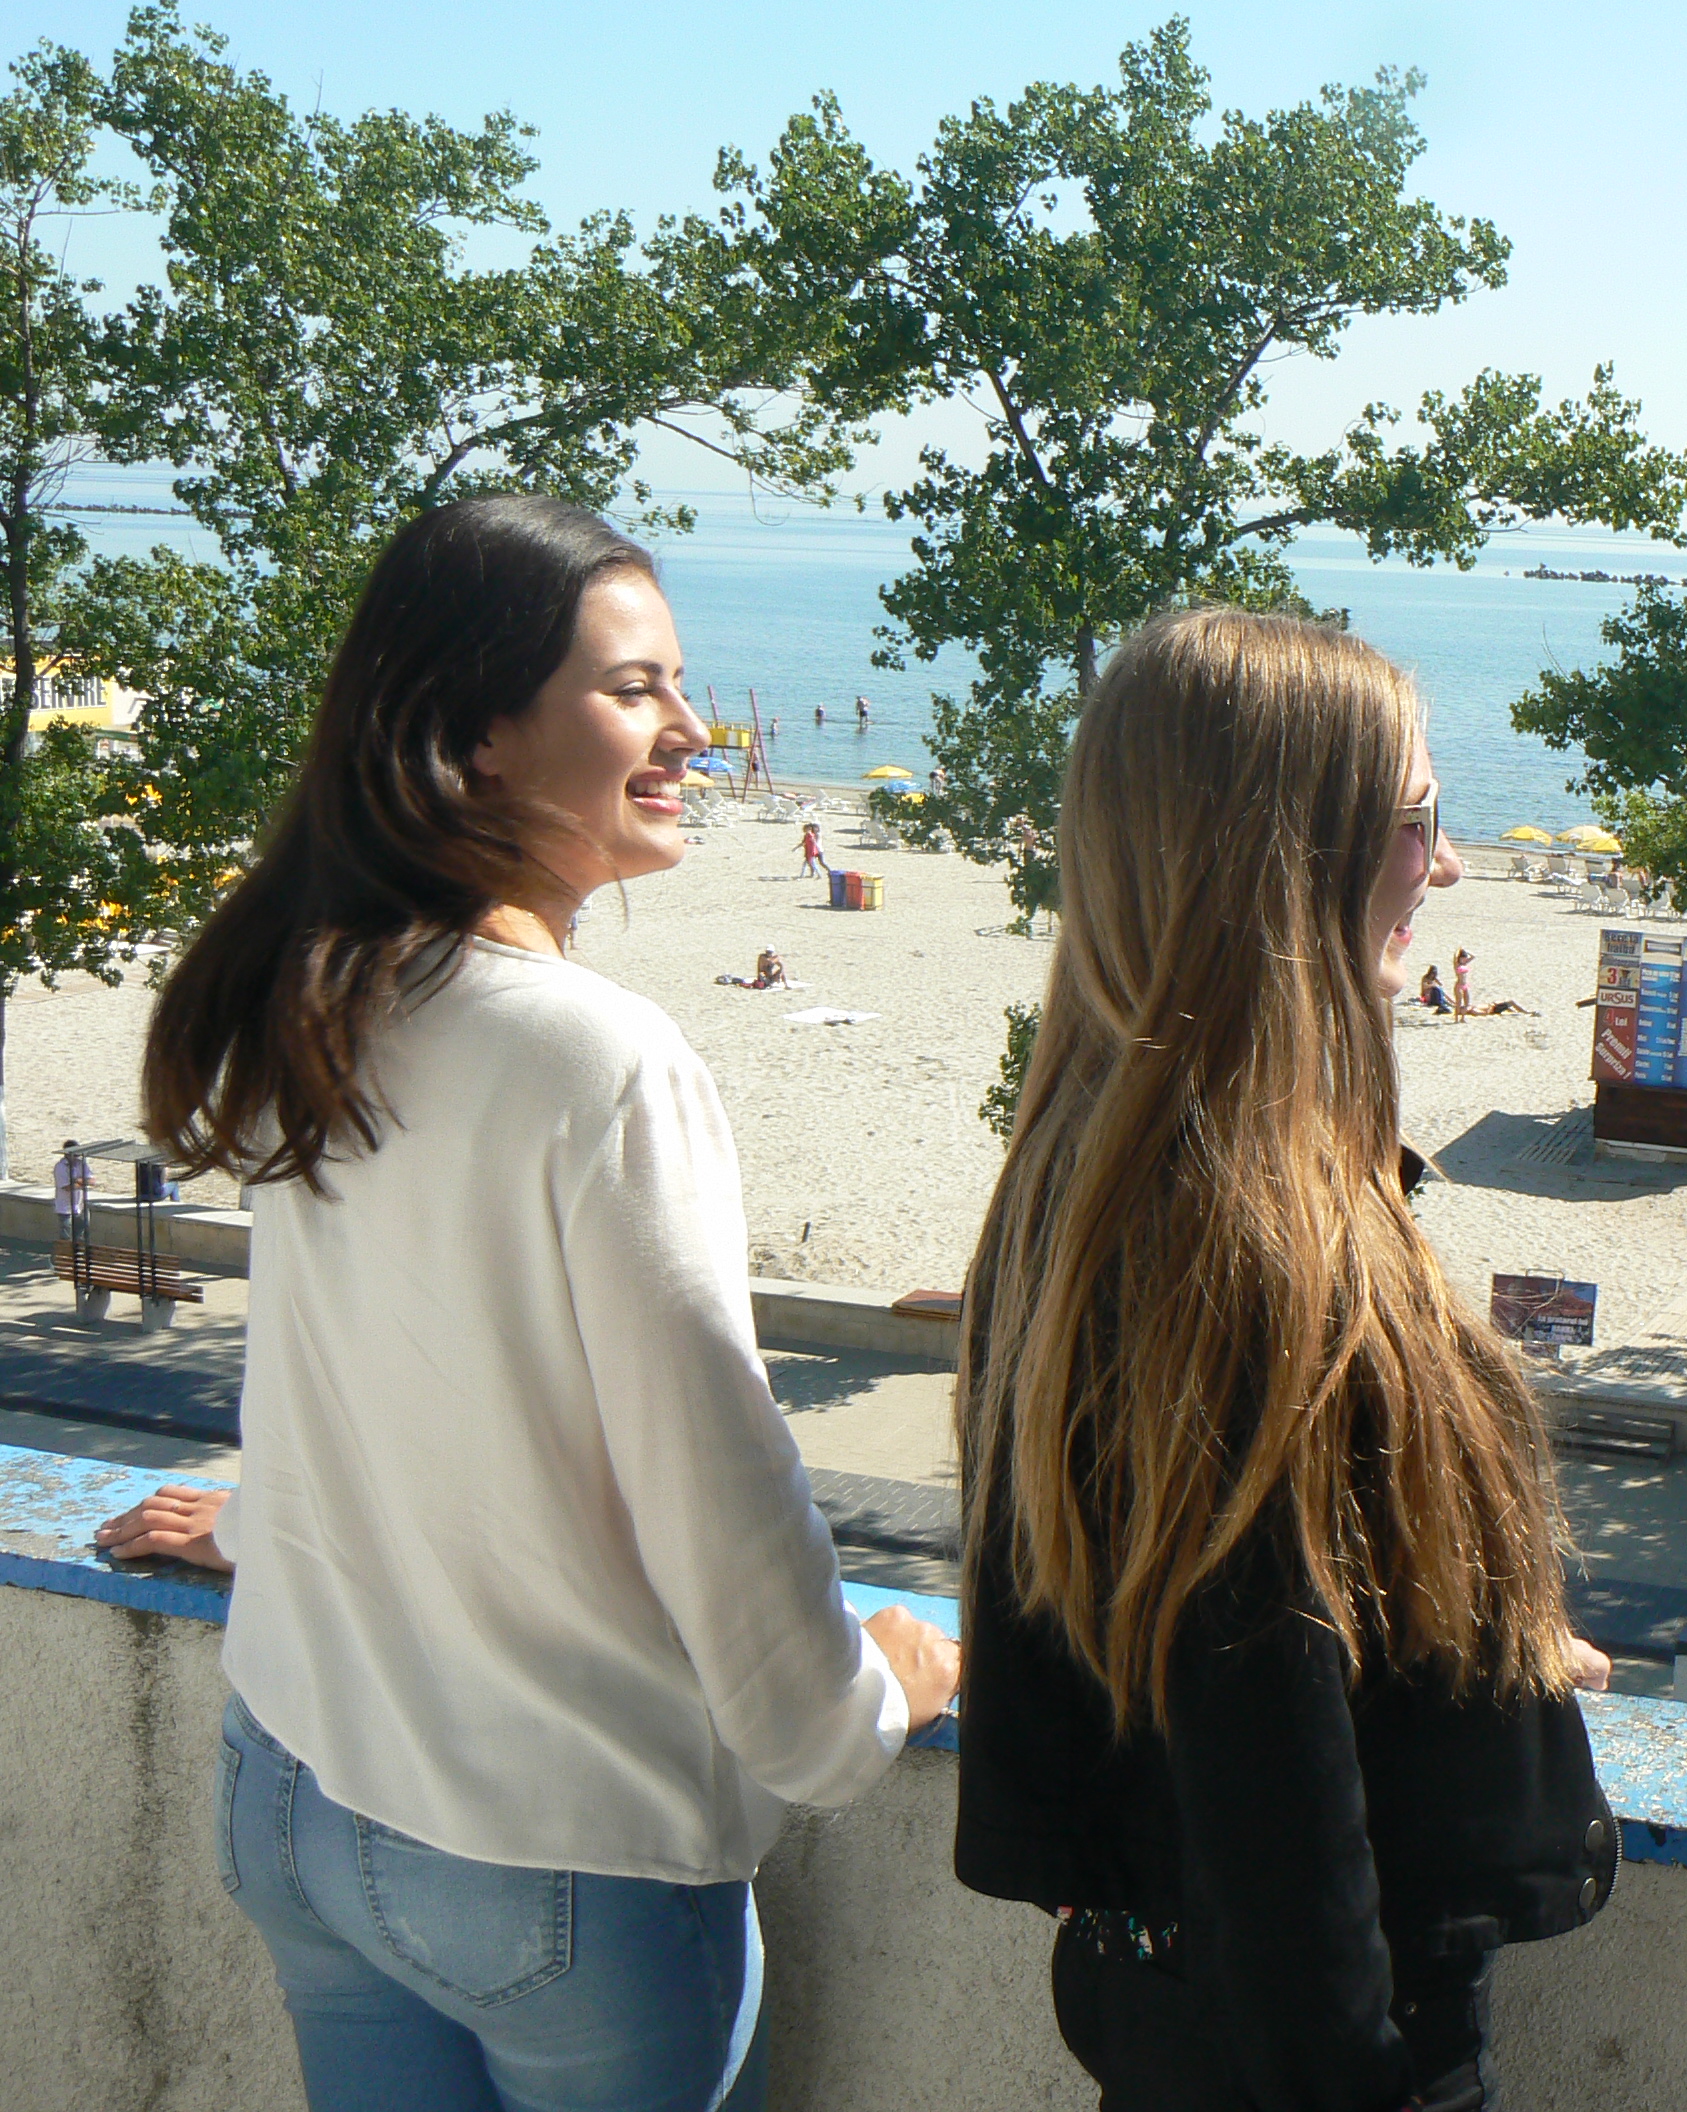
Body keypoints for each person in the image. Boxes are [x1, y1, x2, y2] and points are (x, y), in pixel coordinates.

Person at [97, 494, 959, 2112]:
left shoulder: (324, 991)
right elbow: (716, 1490)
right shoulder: (595, 1057)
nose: (693, 728)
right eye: (635, 688)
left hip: (295, 1783)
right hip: (549, 1855)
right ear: (474, 736)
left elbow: (369, 1359)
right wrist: (864, 1706)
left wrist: (270, 1524)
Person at [953, 607, 1618, 2112]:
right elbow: (1265, 1752)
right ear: (1289, 856)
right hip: (1319, 2051)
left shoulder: (1088, 1176)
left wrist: (1482, 1645)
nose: (1448, 867)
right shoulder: (1238, 1240)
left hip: (1165, 2000)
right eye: (1417, 822)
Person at [52, 1139, 89, 1243]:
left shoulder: (81, 1163)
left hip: (80, 1206)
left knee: (81, 1237)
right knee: (66, 1238)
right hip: (65, 1208)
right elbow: (67, 1187)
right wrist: (82, 1183)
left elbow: (92, 1180)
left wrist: (77, 1181)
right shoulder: (60, 1167)